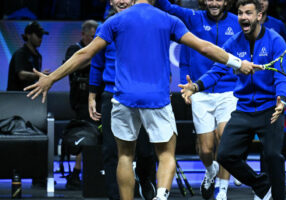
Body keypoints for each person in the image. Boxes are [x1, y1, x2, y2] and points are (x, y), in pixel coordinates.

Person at [24, 0, 261, 199]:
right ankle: (160, 196)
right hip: (156, 100)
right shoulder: (168, 19)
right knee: (166, 155)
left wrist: (52, 78)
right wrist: (239, 63)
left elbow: (84, 53)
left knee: (125, 156)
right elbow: (205, 48)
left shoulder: (115, 21)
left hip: (123, 99)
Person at [179, 0, 286, 199]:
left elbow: (282, 75)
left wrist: (281, 98)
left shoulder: (275, 41)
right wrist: (195, 87)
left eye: (248, 13)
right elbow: (217, 71)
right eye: (240, 13)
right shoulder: (232, 43)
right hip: (244, 109)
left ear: (259, 15)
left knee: (273, 156)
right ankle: (261, 184)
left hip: (269, 109)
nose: (243, 18)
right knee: (224, 156)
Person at [155, 0, 242, 199]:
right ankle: (210, 170)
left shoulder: (237, 21)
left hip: (229, 91)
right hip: (201, 91)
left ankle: (222, 191)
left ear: (226, 2)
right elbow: (167, 7)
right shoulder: (194, 18)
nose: (214, 3)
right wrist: (190, 88)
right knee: (205, 149)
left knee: (225, 139)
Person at [88, 0, 156, 199]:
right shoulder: (105, 27)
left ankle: (145, 181)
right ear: (111, 1)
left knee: (145, 151)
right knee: (111, 151)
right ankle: (115, 195)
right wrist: (93, 96)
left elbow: (156, 59)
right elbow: (96, 63)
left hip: (142, 95)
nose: (122, 1)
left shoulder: (146, 24)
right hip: (112, 95)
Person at [64, 19, 99, 190]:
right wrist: (95, 58)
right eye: (91, 36)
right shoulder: (75, 49)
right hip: (81, 102)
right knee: (86, 135)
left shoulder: (97, 51)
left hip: (98, 100)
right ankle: (76, 172)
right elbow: (74, 65)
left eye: (96, 37)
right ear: (83, 34)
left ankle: (89, 172)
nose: (94, 40)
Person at [7, 21, 49, 91]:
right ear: (28, 35)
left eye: (41, 36)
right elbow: (21, 75)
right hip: (16, 96)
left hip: (30, 96)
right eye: (38, 35)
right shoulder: (20, 53)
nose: (41, 39)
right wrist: (39, 75)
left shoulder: (38, 56)